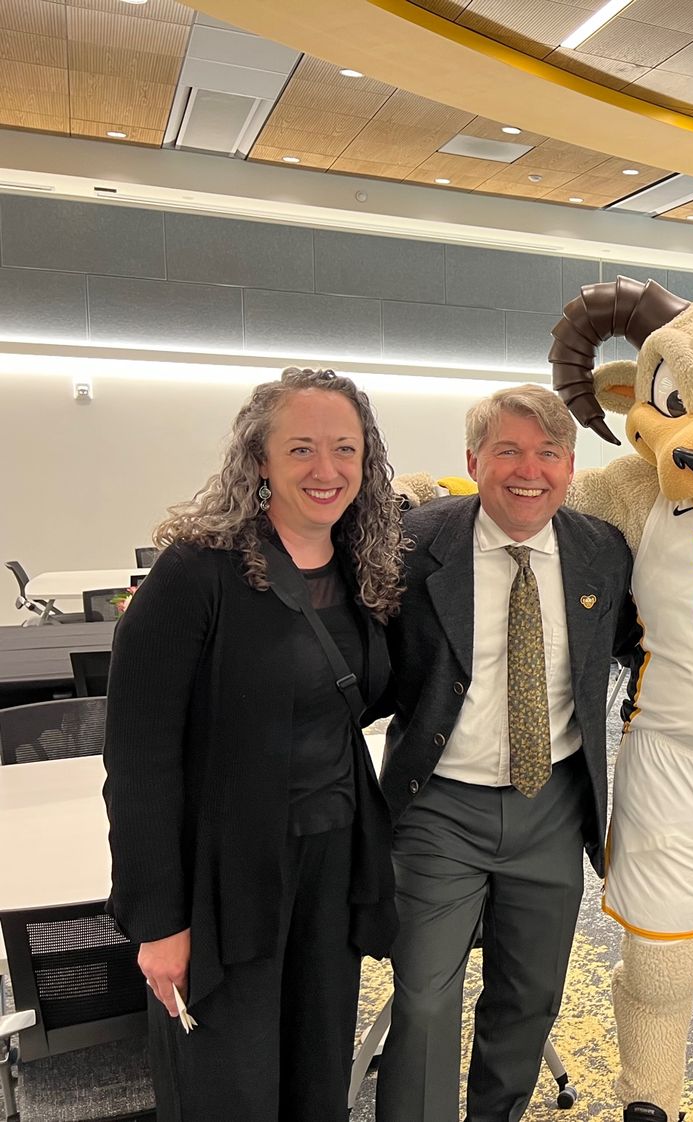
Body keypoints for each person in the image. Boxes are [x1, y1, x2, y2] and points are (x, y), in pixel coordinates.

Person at [103, 367, 403, 1121]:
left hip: (330, 867)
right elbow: (139, 762)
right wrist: (159, 921)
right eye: (300, 448)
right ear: (259, 460)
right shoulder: (195, 575)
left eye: (344, 449)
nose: (326, 470)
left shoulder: (365, 572)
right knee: (228, 1088)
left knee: (315, 1074)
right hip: (227, 877)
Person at [374, 385, 635, 1122]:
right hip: (438, 808)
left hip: (550, 803)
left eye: (548, 453)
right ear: (473, 460)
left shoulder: (599, 552)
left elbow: (637, 644)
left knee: (530, 995)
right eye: (509, 451)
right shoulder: (416, 547)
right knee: (425, 998)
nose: (530, 470)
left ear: (569, 465)